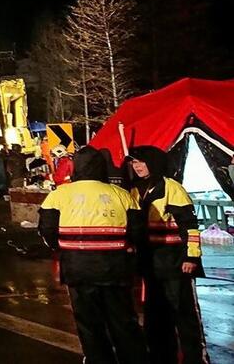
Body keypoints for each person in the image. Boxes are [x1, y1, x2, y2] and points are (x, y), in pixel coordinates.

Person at [38, 146, 148, 363]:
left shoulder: (58, 195)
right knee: (123, 320)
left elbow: (47, 231)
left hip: (78, 270)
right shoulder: (121, 195)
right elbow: (138, 231)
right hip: (115, 269)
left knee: (89, 324)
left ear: (75, 167)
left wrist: (63, 249)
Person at [128, 146, 209, 364]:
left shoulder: (172, 189)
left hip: (175, 262)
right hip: (151, 264)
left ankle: (195, 358)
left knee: (184, 315)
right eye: (133, 163)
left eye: (140, 162)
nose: (136, 167)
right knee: (156, 316)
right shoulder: (135, 190)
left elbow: (190, 227)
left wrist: (191, 258)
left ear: (152, 163)